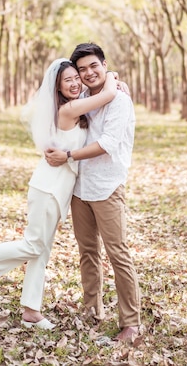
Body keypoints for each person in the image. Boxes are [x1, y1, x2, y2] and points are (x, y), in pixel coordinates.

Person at [0, 58, 118, 330]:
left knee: (42, 250)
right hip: (47, 187)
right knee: (34, 246)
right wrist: (113, 76)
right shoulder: (69, 110)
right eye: (68, 80)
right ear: (58, 87)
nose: (75, 83)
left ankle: (31, 310)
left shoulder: (71, 107)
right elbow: (109, 93)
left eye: (77, 77)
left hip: (58, 190)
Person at [45, 43, 141, 342]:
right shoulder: (84, 97)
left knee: (117, 253)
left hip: (107, 186)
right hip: (80, 188)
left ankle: (132, 322)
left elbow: (108, 144)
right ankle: (92, 311)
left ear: (104, 64)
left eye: (94, 67)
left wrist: (69, 155)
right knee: (87, 252)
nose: (87, 73)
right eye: (82, 69)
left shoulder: (119, 101)